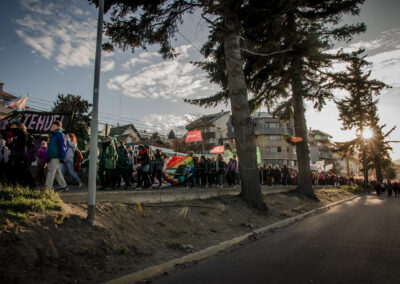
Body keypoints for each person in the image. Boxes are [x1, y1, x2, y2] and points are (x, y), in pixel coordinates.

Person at [8, 122, 35, 188]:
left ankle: (31, 186)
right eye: (11, 126)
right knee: (18, 172)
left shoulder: (22, 134)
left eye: (13, 126)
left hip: (22, 157)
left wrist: (22, 158)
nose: (11, 127)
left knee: (24, 172)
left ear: (18, 126)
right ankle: (20, 186)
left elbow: (24, 147)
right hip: (16, 157)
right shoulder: (15, 134)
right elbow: (15, 146)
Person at [45, 120, 68, 190]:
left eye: (54, 125)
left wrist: (62, 157)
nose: (52, 127)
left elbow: (63, 146)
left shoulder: (60, 135)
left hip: (56, 156)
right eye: (52, 125)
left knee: (51, 172)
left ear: (59, 126)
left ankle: (48, 188)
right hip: (53, 156)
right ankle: (63, 185)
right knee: (57, 172)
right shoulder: (53, 135)